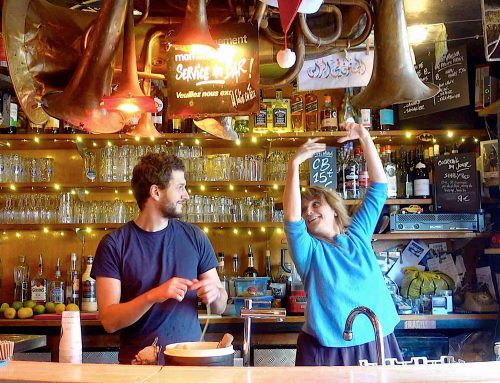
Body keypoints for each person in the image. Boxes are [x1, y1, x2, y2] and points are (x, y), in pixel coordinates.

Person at [283, 122, 402, 366]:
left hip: (375, 339)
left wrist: (365, 137)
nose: (309, 212)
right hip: (327, 348)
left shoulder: (358, 235)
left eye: (316, 204)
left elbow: (379, 188)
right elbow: (292, 218)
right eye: (305, 208)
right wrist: (293, 166)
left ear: (335, 210)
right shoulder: (309, 251)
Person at [91, 152, 227, 364]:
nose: (187, 195)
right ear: (155, 191)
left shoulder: (195, 237)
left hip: (190, 366)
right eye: (180, 187)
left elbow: (221, 305)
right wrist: (153, 295)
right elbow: (109, 320)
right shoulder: (114, 244)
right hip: (138, 368)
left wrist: (215, 294)